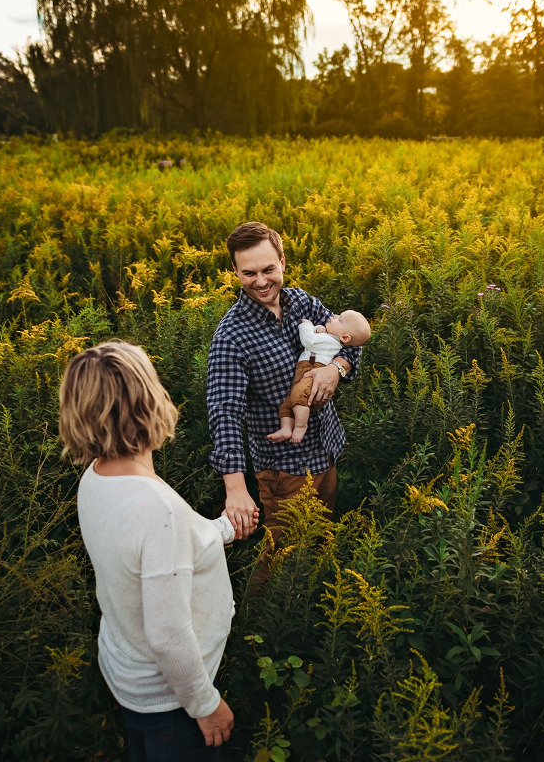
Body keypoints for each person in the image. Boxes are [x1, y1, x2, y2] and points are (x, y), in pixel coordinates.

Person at [60, 341, 258, 761]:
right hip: (174, 701)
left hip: (128, 675)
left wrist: (224, 528)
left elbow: (150, 551)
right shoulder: (157, 508)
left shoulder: (96, 480)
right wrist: (206, 706)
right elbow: (168, 635)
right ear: (147, 401)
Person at [206, 222, 364, 542]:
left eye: (268, 269)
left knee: (319, 543)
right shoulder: (231, 336)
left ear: (282, 262)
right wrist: (235, 490)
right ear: (235, 271)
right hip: (285, 470)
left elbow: (352, 338)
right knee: (282, 560)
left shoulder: (302, 303)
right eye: (249, 273)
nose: (261, 282)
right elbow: (225, 412)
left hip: (326, 449)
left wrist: (337, 369)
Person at [267, 311, 371, 444]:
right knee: (287, 404)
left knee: (299, 396)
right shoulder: (329, 336)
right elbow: (318, 337)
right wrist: (318, 328)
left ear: (345, 338)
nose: (333, 316)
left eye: (339, 319)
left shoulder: (332, 341)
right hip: (305, 368)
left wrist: (307, 325)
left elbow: (309, 341)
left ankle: (300, 426)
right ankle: (286, 428)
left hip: (313, 369)